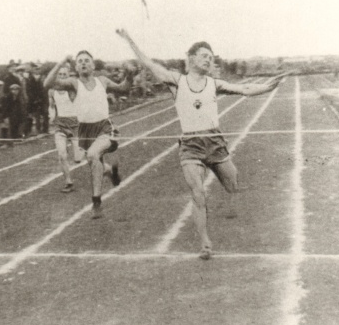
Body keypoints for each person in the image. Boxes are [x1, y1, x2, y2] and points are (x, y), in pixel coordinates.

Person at [117, 29, 285, 259]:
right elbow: (147, 62)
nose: (209, 60)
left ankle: (219, 205)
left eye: (211, 57)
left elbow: (245, 89)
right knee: (197, 192)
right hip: (191, 144)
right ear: (192, 58)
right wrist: (129, 40)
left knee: (233, 185)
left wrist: (268, 87)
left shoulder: (214, 83)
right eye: (205, 55)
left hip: (214, 141)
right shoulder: (176, 81)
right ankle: (205, 243)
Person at [45, 51, 129, 218]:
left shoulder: (102, 81)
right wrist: (61, 60)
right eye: (80, 61)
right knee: (93, 161)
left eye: (86, 61)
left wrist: (130, 74)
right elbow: (48, 83)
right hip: (84, 130)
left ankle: (96, 202)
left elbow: (123, 88)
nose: (83, 63)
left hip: (104, 127)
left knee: (92, 155)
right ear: (76, 67)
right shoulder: (73, 83)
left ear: (93, 65)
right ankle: (111, 171)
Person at [44, 65, 85, 193]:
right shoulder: (52, 90)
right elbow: (51, 106)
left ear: (68, 77)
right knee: (62, 155)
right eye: (60, 75)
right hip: (60, 124)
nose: (62, 77)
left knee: (78, 159)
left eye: (64, 75)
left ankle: (84, 150)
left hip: (74, 124)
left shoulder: (72, 89)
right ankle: (68, 182)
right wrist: (51, 116)